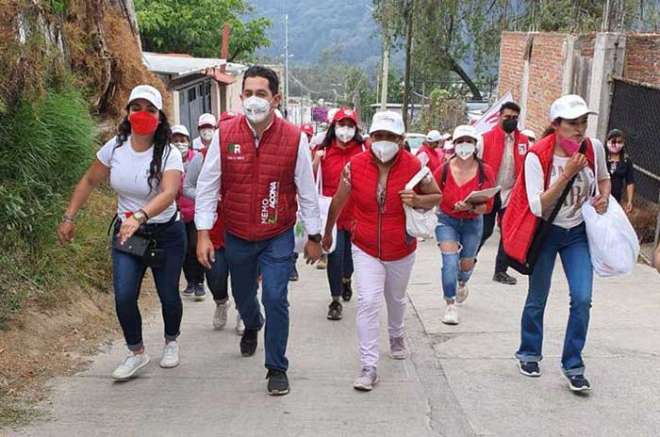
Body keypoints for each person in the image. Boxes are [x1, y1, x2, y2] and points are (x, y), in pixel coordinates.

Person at [195, 65, 323, 396]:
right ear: (241, 97)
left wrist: (314, 236)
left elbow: (307, 192)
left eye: (261, 94)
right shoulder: (225, 135)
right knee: (243, 296)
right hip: (237, 234)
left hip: (276, 235)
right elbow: (208, 187)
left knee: (276, 296)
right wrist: (204, 233)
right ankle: (252, 324)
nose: (254, 100)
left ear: (276, 98)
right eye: (248, 93)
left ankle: (276, 367)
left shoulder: (295, 139)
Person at [57, 85, 185, 381]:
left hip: (166, 233)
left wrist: (140, 215)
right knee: (125, 295)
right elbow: (89, 180)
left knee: (168, 295)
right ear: (127, 113)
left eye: (150, 110)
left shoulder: (169, 153)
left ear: (159, 117)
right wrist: (69, 216)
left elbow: (169, 192)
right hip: (129, 235)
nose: (142, 115)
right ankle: (137, 352)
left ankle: (171, 341)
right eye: (136, 108)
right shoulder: (114, 147)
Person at [322, 111, 441, 391]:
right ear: (370, 137)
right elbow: (338, 200)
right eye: (378, 136)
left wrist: (418, 198)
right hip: (365, 246)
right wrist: (327, 232)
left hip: (401, 247)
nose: (383, 143)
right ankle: (368, 365)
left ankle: (397, 334)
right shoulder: (355, 165)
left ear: (400, 140)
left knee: (396, 299)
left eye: (390, 137)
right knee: (368, 301)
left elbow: (437, 196)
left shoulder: (414, 166)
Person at [504, 94, 610, 393]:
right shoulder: (537, 156)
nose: (579, 129)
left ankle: (573, 364)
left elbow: (603, 179)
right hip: (547, 232)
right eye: (572, 123)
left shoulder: (594, 148)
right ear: (556, 125)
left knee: (582, 298)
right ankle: (528, 352)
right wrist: (566, 175)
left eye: (583, 122)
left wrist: (603, 197)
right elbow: (538, 206)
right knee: (538, 297)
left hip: (577, 232)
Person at [183, 122, 245, 335]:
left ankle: (243, 311)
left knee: (242, 277)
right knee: (215, 276)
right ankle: (221, 302)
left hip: (240, 228)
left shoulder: (247, 155)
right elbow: (187, 187)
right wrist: (209, 197)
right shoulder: (202, 157)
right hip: (213, 229)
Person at [433, 125, 496, 325]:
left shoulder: (485, 171)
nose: (464, 146)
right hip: (446, 220)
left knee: (466, 262)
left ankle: (463, 280)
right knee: (450, 262)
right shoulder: (443, 169)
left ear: (475, 145)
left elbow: (489, 204)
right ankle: (450, 303)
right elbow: (432, 193)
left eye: (468, 141)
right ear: (454, 144)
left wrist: (471, 207)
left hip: (472, 222)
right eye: (460, 141)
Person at [312, 108, 366, 320]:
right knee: (335, 255)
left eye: (349, 125)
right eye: (341, 125)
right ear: (333, 127)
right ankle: (335, 300)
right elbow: (310, 178)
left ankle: (346, 279)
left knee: (349, 259)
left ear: (355, 128)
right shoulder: (323, 150)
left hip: (356, 213)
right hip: (331, 215)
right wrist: (317, 160)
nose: (345, 130)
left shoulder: (363, 149)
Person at [479, 101, 530, 286]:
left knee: (508, 232)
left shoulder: (524, 141)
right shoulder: (485, 139)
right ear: (499, 116)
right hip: (489, 192)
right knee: (484, 230)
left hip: (511, 194)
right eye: (507, 117)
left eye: (515, 118)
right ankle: (468, 259)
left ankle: (500, 271)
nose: (511, 121)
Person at [171, 125, 206, 301]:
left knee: (194, 246)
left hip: (195, 211)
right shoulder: (168, 161)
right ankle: (190, 282)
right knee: (183, 249)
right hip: (177, 213)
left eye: (182, 140)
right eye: (175, 140)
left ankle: (200, 282)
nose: (179, 144)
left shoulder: (197, 159)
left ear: (188, 141)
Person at [605, 129, 635, 214]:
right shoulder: (602, 156)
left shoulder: (626, 161)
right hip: (599, 195)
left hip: (615, 198)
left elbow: (630, 182)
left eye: (619, 142)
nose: (616, 144)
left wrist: (629, 201)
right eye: (613, 141)